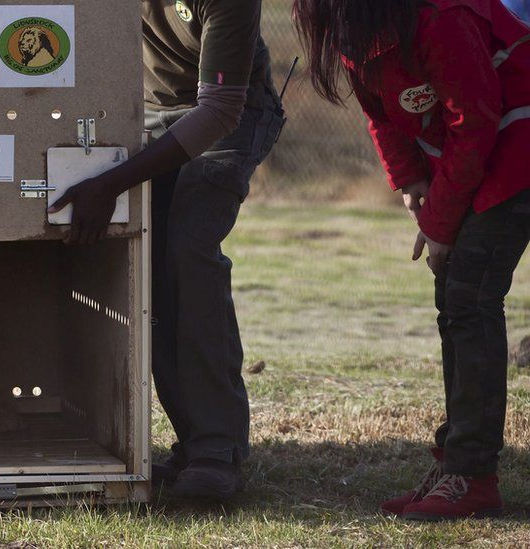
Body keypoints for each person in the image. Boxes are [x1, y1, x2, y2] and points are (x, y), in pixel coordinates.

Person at [294, 0, 530, 521]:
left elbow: (477, 123)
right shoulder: (355, 25)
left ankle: (474, 476)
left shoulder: (440, 16)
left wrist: (439, 224)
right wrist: (408, 177)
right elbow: (381, 109)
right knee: (455, 300)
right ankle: (455, 466)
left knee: (470, 296)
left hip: (516, 147)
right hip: (479, 151)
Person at [49, 0, 284, 500]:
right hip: (149, 114)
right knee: (148, 265)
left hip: (229, 116)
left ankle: (216, 449)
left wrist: (112, 182)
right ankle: (190, 440)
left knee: (189, 249)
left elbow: (219, 111)